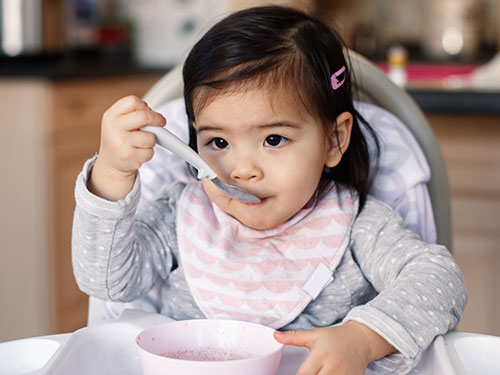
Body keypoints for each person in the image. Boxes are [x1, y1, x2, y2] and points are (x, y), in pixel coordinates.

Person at [72, 6, 466, 374]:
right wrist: (110, 174)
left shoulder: (359, 223)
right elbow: (108, 283)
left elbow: (439, 281)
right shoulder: (180, 213)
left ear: (333, 140)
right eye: (218, 143)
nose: (242, 170)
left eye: (274, 139)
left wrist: (362, 339)